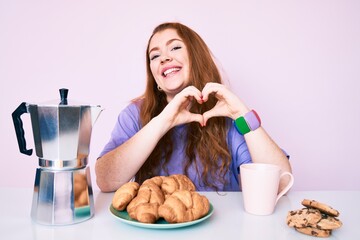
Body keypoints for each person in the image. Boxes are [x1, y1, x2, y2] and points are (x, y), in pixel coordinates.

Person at [95, 22, 292, 192]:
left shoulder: (226, 115)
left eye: (175, 48)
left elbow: (281, 183)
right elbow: (105, 180)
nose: (164, 58)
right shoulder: (134, 115)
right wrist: (163, 121)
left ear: (195, 57)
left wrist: (241, 113)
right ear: (154, 76)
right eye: (154, 56)